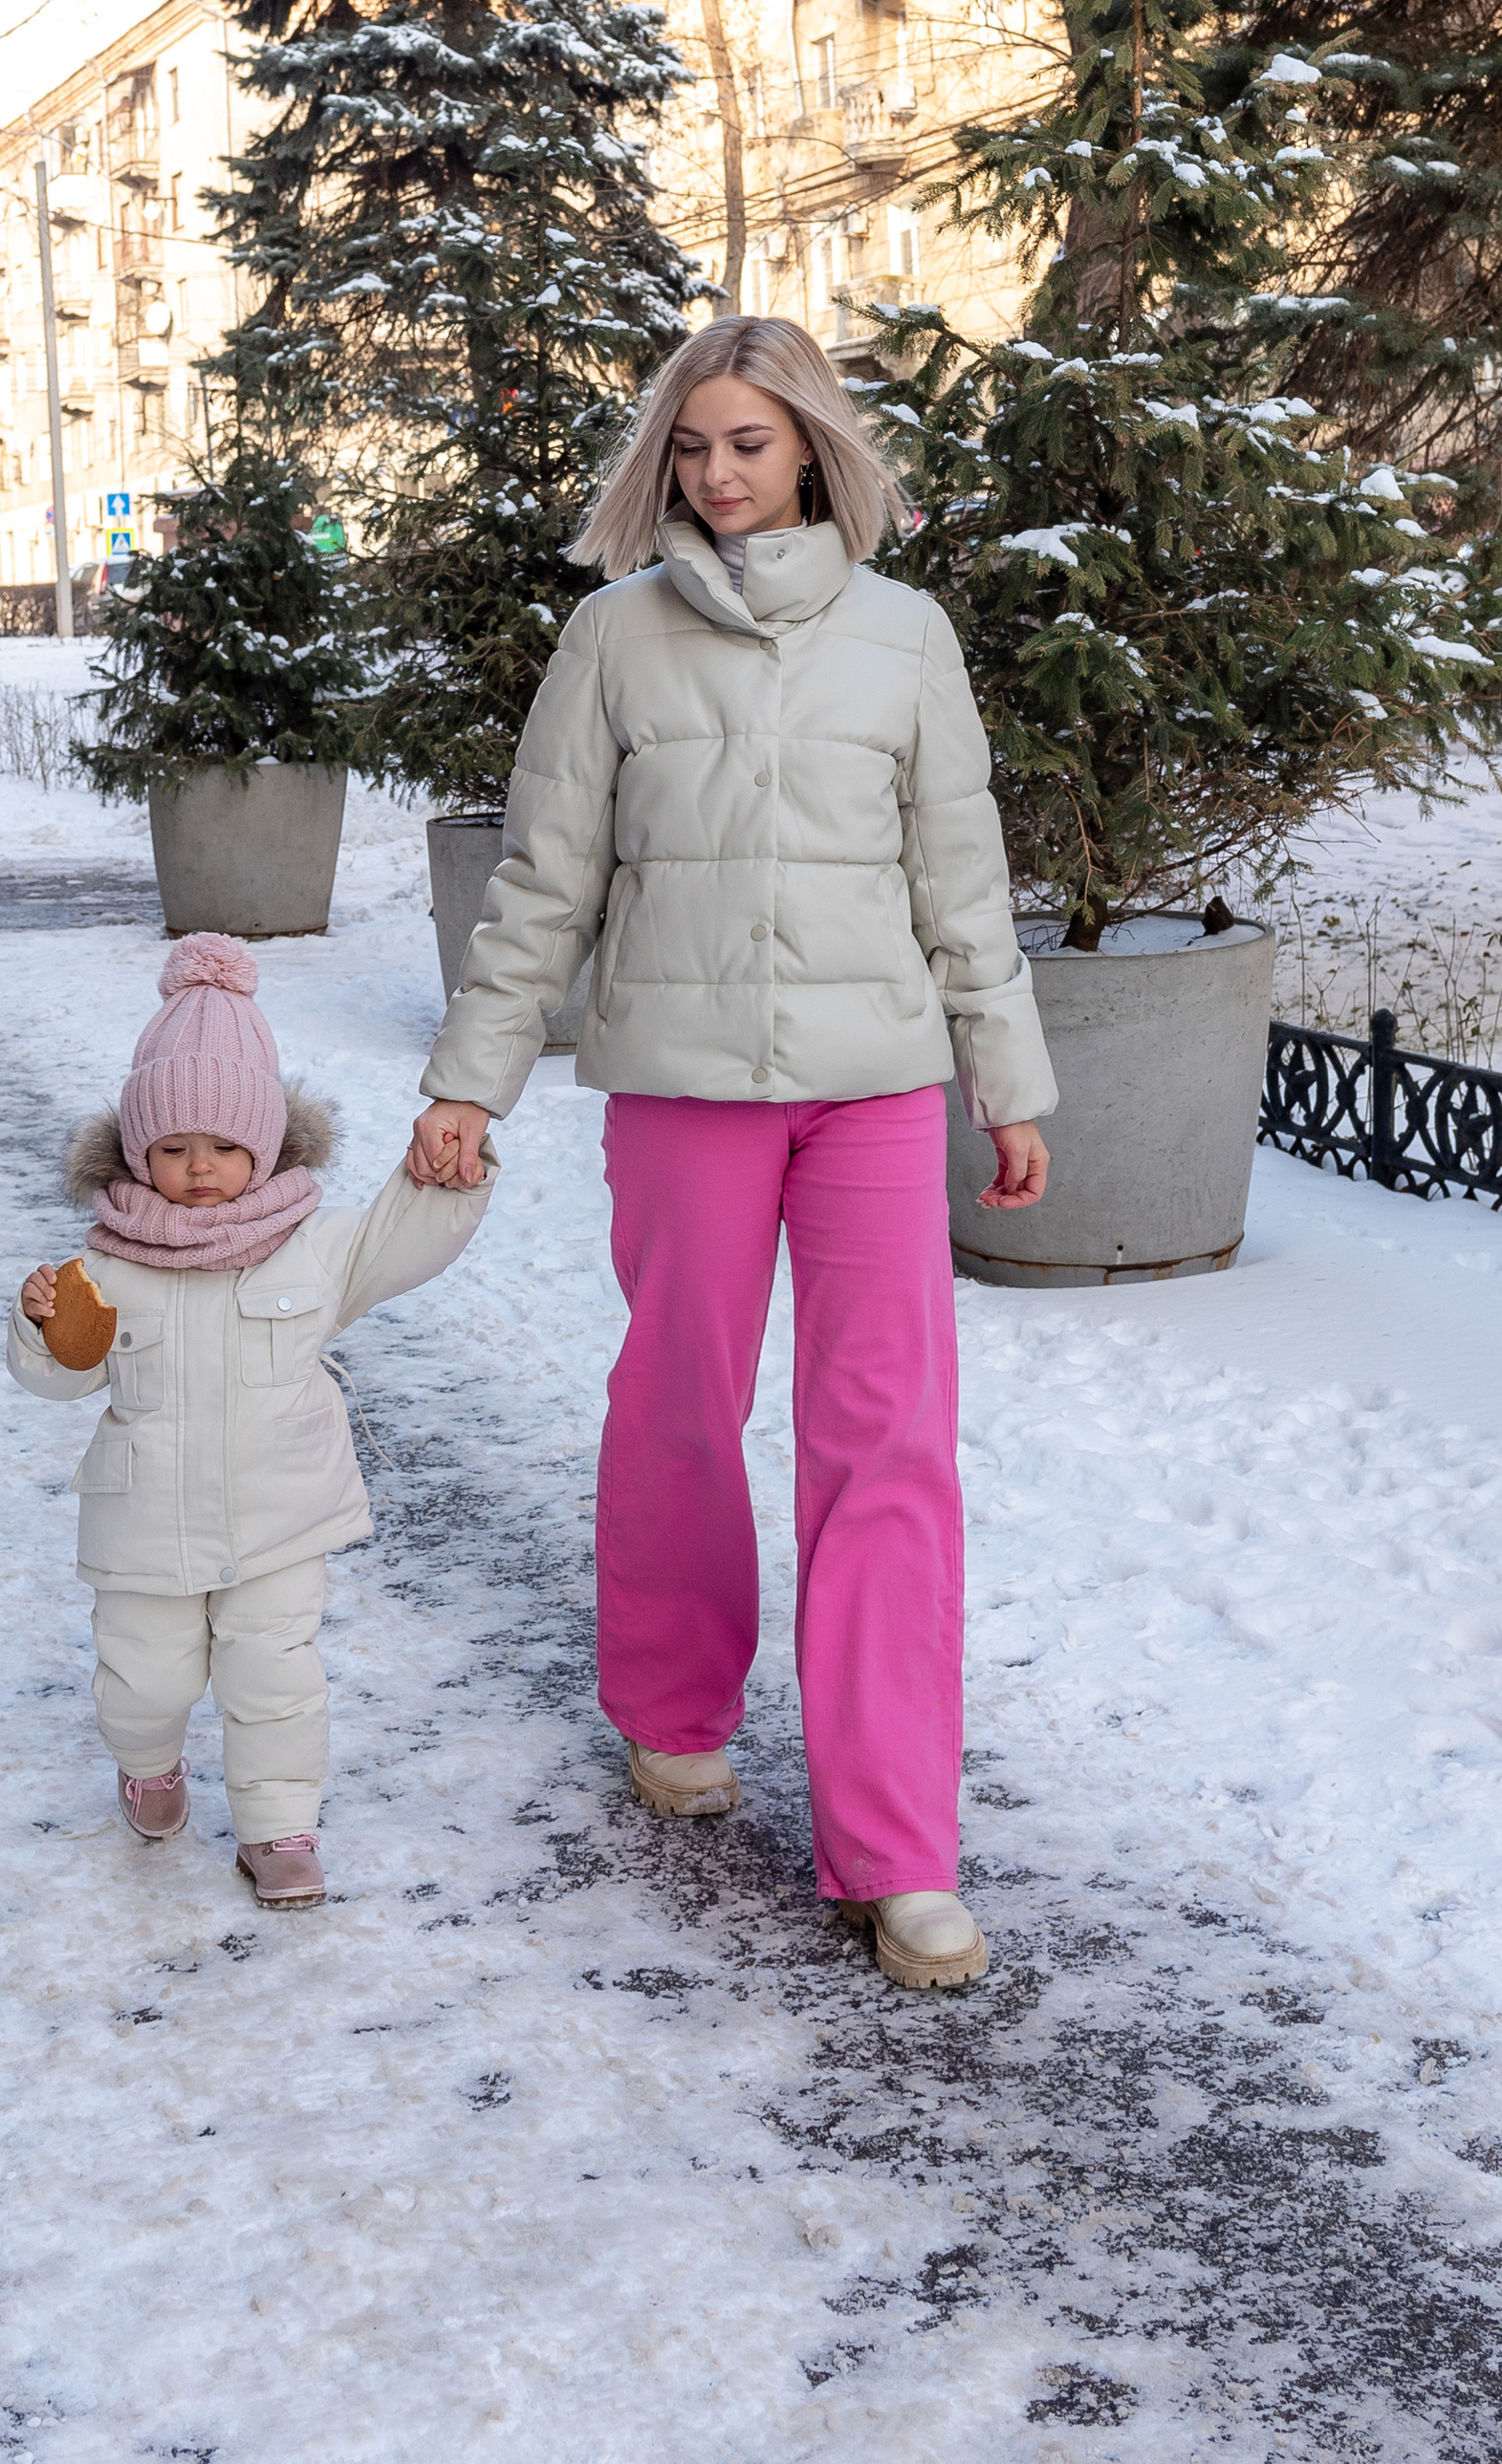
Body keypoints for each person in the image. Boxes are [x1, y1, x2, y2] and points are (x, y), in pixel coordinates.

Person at [406, 313, 1055, 1990]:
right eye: (692, 446)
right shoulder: (614, 637)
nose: (717, 472)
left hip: (876, 1089)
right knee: (682, 1397)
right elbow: (544, 878)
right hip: (683, 1085)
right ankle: (676, 1703)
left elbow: (960, 878)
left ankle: (899, 1844)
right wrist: (471, 1077)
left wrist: (1011, 1075)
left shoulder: (907, 637)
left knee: (888, 1443)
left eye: (748, 441)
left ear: (814, 448)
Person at [10, 934, 494, 1908]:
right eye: (174, 1149)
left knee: (275, 1680)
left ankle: (279, 1830)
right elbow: (60, 1380)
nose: (200, 1170)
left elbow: (403, 1241)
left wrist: (446, 1178)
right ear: (136, 1150)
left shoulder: (311, 1248)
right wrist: (43, 1334)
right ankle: (148, 1764)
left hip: (279, 1519)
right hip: (144, 1523)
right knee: (143, 1679)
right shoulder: (105, 1261)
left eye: (226, 1148)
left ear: (265, 1145)